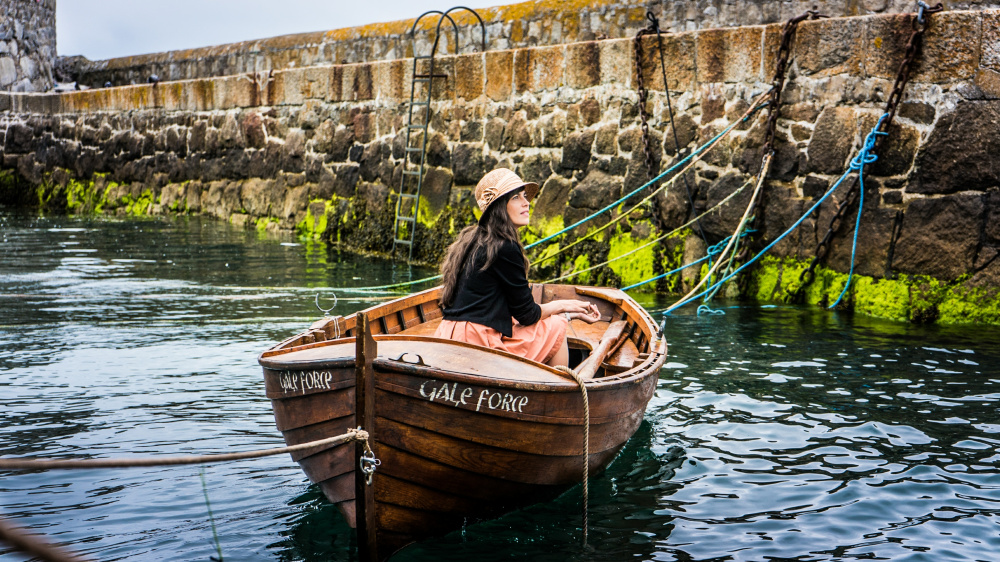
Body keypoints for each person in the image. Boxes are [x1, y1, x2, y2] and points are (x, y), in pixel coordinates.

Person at [434, 168, 600, 367]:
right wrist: (565, 306)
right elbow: (528, 315)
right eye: (516, 197)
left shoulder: (472, 239)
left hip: (447, 335)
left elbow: (507, 309)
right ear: (499, 207)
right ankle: (560, 384)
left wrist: (570, 312)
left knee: (554, 322)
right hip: (476, 342)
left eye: (524, 196)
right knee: (556, 326)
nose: (526, 202)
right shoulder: (505, 247)